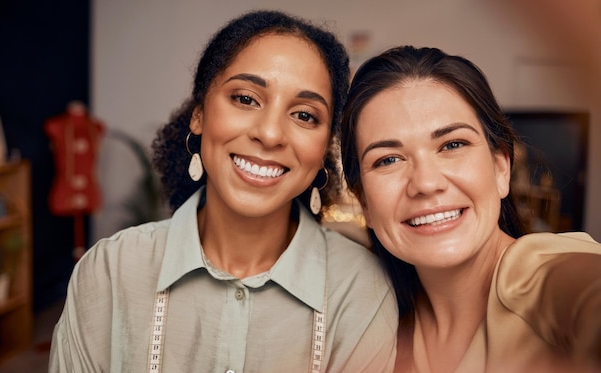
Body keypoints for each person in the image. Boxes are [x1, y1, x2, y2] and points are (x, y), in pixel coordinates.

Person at [49, 10, 398, 372]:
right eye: (246, 98)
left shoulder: (360, 289)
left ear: (325, 146)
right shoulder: (110, 272)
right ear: (199, 114)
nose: (271, 133)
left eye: (305, 115)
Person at [340, 45, 601, 373]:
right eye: (388, 159)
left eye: (452, 145)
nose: (426, 182)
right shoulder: (376, 324)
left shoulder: (541, 278)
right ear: (363, 199)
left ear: (501, 168)